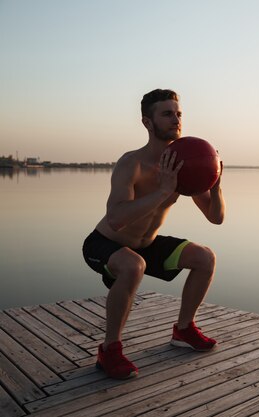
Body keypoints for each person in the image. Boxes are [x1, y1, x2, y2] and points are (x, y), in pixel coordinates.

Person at [82, 89, 225, 379]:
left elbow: (215, 217)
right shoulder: (131, 164)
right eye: (167, 114)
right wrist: (162, 191)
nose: (176, 120)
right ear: (148, 123)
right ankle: (109, 350)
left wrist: (216, 185)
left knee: (205, 258)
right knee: (134, 265)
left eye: (179, 113)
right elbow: (116, 218)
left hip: (146, 245)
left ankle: (184, 330)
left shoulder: (184, 164)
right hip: (105, 242)